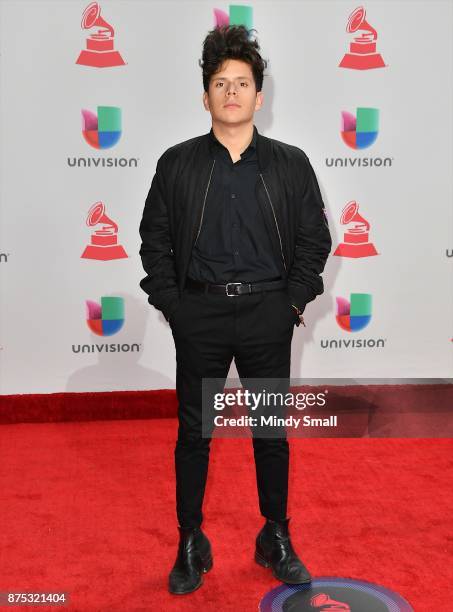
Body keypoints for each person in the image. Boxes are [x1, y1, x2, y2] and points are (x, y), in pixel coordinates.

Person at [139, 25, 332, 595]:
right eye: (220, 83)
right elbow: (154, 241)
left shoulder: (291, 164)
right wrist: (176, 308)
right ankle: (190, 541)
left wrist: (292, 302)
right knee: (193, 435)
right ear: (205, 97)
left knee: (271, 433)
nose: (231, 92)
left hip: (266, 317)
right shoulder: (176, 164)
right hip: (199, 314)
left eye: (242, 83)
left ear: (258, 96)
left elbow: (314, 242)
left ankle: (275, 535)